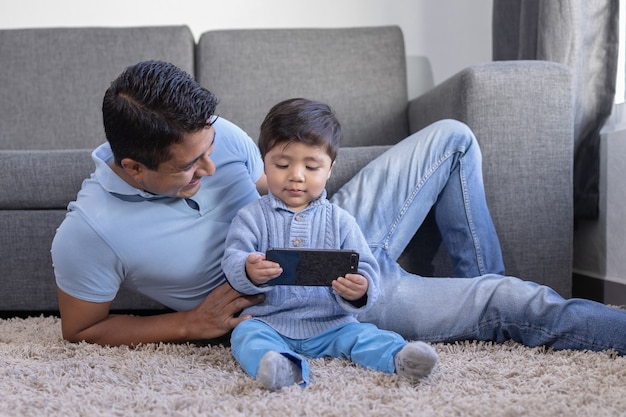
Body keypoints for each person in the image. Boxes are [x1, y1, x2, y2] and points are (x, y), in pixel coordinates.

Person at [51, 60, 626, 356]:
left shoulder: (211, 134)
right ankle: (481, 304)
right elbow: (82, 330)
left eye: (211, 152)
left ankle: (470, 292)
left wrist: (320, 209)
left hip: (335, 232)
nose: (210, 169)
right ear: (134, 169)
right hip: (300, 304)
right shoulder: (90, 233)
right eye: (189, 169)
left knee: (451, 138)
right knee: (516, 303)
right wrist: (189, 323)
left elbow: (267, 194)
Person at [221, 98, 439, 391]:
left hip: (332, 324)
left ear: (330, 169)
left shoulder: (341, 221)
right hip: (268, 321)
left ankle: (400, 357)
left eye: (311, 167)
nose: (296, 175)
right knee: (245, 334)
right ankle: (283, 368)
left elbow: (366, 267)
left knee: (365, 335)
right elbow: (232, 258)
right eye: (282, 164)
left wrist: (360, 289)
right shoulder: (250, 216)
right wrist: (248, 270)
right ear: (264, 163)